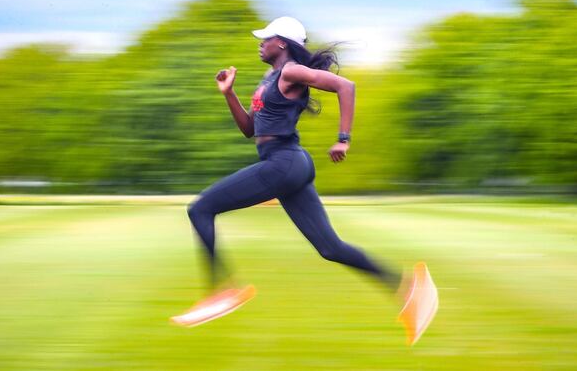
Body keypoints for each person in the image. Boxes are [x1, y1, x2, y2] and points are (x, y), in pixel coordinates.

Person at [172, 17, 437, 345]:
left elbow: (346, 86)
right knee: (330, 248)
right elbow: (250, 130)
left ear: (281, 42)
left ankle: (221, 290)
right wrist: (228, 94)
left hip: (284, 163)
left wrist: (343, 138)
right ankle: (411, 288)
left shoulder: (291, 71)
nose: (260, 43)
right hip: (287, 164)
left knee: (200, 209)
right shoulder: (270, 78)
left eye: (265, 38)